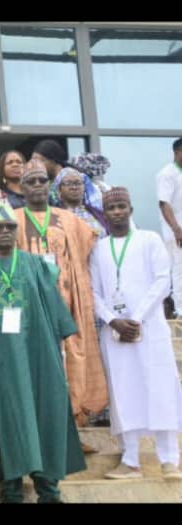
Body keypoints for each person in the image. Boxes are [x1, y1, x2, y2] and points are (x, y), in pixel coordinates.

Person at [0, 202, 86, 503]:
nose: (5, 232)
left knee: (44, 413)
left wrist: (60, 353)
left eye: (10, 227)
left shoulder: (36, 265)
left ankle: (48, 490)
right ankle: (10, 488)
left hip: (38, 353)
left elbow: (56, 312)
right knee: (4, 416)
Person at [90, 187, 182, 481]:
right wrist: (113, 320)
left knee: (161, 390)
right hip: (115, 334)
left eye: (121, 206)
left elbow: (162, 282)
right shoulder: (99, 249)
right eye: (111, 208)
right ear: (105, 214)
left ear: (130, 209)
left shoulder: (150, 240)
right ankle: (130, 461)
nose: (117, 211)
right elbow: (93, 292)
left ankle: (169, 460)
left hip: (150, 329)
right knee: (123, 393)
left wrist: (136, 318)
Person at [15, 162, 108, 437]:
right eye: (31, 181)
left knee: (72, 363)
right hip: (32, 308)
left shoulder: (69, 220)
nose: (37, 185)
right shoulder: (13, 219)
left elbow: (90, 252)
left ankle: (75, 432)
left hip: (69, 305)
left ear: (49, 185)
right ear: (22, 188)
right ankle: (46, 435)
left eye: (42, 180)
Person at [156, 138, 182, 318]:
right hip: (177, 231)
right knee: (179, 269)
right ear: (177, 152)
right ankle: (180, 310)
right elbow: (164, 203)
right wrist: (176, 229)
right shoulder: (167, 174)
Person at [52, 167, 107, 240]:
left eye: (78, 183)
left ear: (84, 187)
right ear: (59, 190)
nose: (74, 187)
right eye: (68, 183)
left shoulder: (97, 214)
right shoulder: (53, 216)